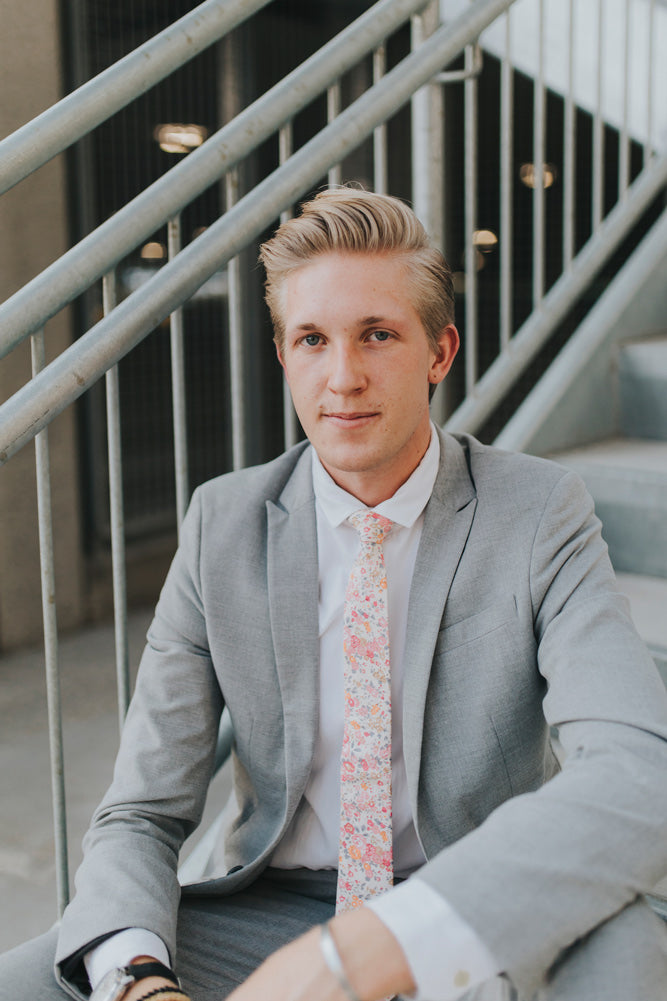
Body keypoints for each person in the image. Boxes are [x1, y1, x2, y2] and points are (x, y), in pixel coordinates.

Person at [2, 188, 667, 1001]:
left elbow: (638, 768)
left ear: (439, 352)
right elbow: (140, 811)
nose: (343, 377)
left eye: (377, 334)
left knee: (622, 944)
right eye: (312, 339)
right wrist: (141, 982)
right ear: (284, 355)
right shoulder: (223, 524)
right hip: (275, 915)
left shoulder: (538, 512)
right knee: (31, 981)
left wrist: (373, 948)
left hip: (468, 905)